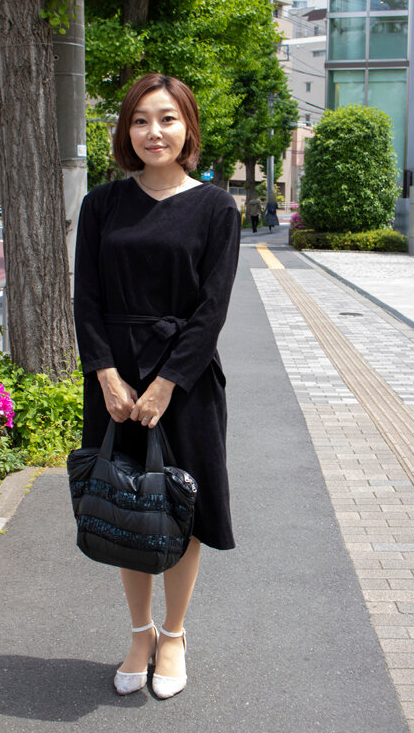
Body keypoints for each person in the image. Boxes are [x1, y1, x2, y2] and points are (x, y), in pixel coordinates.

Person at [73, 73, 241, 700]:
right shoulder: (102, 204)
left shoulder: (217, 207)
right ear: (126, 131)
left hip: (186, 380)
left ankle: (174, 634)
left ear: (187, 127)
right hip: (114, 377)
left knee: (180, 506)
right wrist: (106, 375)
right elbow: (86, 298)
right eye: (140, 120)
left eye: (167, 118)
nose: (154, 132)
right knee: (125, 501)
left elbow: (212, 308)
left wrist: (167, 383)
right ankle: (139, 632)